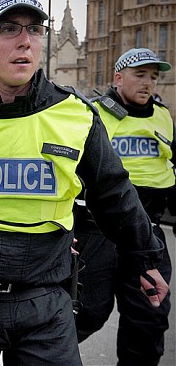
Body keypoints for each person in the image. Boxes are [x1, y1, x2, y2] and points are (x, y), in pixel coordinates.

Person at [0, 0, 169, 366]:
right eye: (9, 29)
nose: (25, 41)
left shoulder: (75, 115)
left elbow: (114, 195)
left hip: (45, 304)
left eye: (35, 30)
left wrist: (144, 258)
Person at [75, 48, 174, 366]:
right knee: (85, 313)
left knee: (148, 322)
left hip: (148, 230)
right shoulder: (93, 114)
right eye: (140, 75)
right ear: (118, 78)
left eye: (154, 77)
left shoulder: (163, 116)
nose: (149, 83)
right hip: (99, 230)